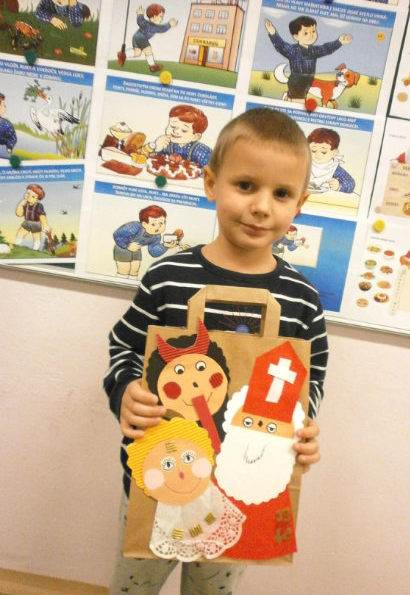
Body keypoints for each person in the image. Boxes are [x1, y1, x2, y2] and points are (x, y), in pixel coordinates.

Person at [104, 107, 329, 594]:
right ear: (210, 183)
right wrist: (125, 392)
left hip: (240, 489)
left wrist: (303, 425)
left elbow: (310, 379)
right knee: (132, 586)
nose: (262, 207)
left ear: (300, 204)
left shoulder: (301, 300)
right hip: (157, 479)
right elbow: (125, 345)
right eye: (245, 185)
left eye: (282, 194)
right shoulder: (168, 277)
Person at [265, 15, 352, 106]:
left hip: (307, 82)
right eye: (306, 33)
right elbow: (282, 46)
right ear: (296, 36)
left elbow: (326, 48)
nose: (311, 35)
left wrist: (339, 42)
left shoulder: (314, 50)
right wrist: (273, 33)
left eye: (313, 31)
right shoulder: (293, 51)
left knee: (293, 102)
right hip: (297, 82)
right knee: (298, 104)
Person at [112, 204, 179, 279]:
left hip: (136, 250)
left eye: (161, 223)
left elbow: (153, 252)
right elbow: (117, 234)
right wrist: (127, 245)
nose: (158, 226)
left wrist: (165, 246)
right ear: (144, 224)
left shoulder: (156, 236)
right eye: (153, 224)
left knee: (134, 272)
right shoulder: (134, 226)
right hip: (122, 248)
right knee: (124, 272)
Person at [151, 104, 212, 171]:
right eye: (173, 126)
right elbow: (153, 161)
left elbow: (211, 170)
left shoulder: (201, 151)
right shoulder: (166, 143)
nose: (175, 131)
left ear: (196, 136)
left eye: (184, 130)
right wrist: (157, 149)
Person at [121, 4, 178, 71]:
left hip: (136, 37)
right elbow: (162, 28)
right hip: (141, 37)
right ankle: (152, 66)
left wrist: (140, 14)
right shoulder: (153, 26)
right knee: (148, 49)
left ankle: (123, 55)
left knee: (137, 53)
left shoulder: (146, 23)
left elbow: (140, 21)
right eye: (161, 16)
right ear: (154, 17)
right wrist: (169, 25)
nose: (162, 19)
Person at [307, 127, 356, 193]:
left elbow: (350, 183)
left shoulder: (335, 169)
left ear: (334, 153)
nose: (317, 154)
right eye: (313, 150)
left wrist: (339, 186)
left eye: (323, 152)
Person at [15, 184, 50, 251]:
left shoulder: (39, 206)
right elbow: (19, 214)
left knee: (36, 237)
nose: (29, 196)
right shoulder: (25, 204)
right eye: (28, 193)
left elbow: (42, 216)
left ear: (37, 199)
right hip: (27, 222)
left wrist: (45, 225)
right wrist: (23, 202)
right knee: (20, 233)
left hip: (36, 224)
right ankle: (16, 245)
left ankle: (35, 249)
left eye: (33, 196)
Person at [0, 92, 17, 158]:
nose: (4, 107)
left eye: (4, 105)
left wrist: (9, 147)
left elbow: (12, 138)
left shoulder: (6, 124)